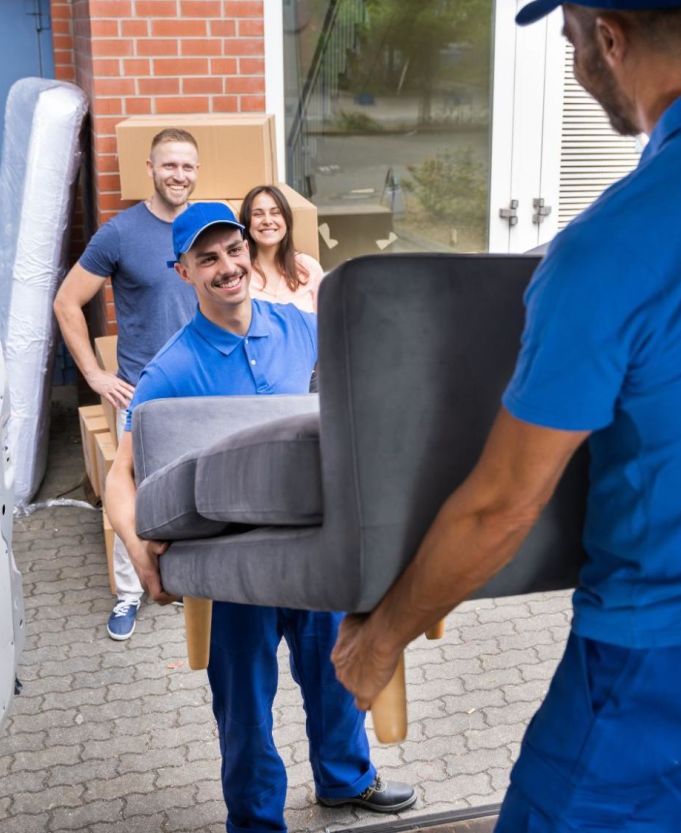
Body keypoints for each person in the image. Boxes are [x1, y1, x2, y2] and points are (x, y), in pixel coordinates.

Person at [330, 2, 681, 832]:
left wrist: (378, 644)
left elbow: (501, 506)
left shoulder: (613, 244)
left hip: (667, 654)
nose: (575, 66)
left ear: (610, 39)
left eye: (570, 44)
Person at [101, 202, 417, 832]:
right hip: (233, 563)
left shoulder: (301, 328)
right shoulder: (171, 369)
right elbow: (120, 475)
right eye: (208, 259)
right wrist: (141, 557)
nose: (227, 267)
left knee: (336, 673)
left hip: (311, 545)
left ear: (249, 251)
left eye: (233, 251)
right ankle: (254, 820)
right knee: (243, 701)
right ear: (183, 271)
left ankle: (344, 780)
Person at [53, 128, 200, 641]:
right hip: (142, 389)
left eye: (187, 166)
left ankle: (193, 581)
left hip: (202, 388)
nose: (179, 175)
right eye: (169, 166)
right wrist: (95, 374)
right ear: (151, 169)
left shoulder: (208, 231)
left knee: (198, 488)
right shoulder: (120, 234)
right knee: (130, 493)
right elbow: (67, 302)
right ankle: (129, 593)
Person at [239, 184, 325, 313]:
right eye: (258, 214)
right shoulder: (238, 273)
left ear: (286, 220)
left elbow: (326, 324)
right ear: (247, 222)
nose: (267, 221)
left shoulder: (309, 268)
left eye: (275, 213)